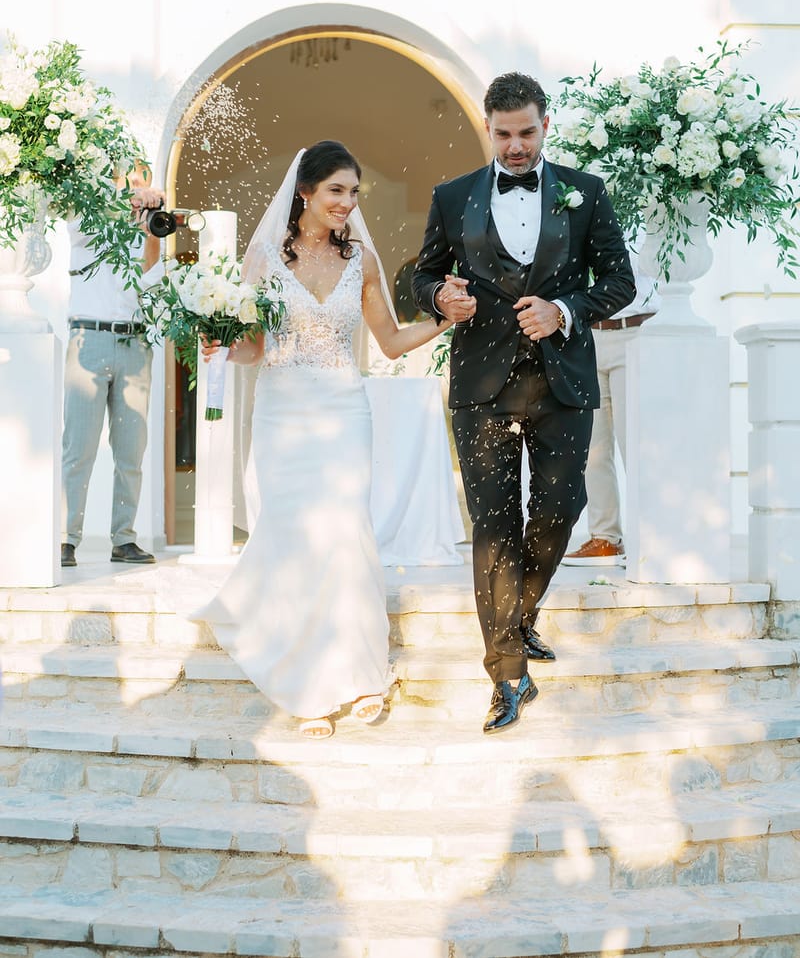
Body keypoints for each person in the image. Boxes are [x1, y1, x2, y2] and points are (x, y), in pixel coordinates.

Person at [197, 141, 450, 740]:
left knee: (345, 534)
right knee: (293, 536)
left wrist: (445, 320)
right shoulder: (263, 257)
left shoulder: (361, 259)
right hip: (283, 410)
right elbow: (257, 345)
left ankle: (363, 672)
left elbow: (387, 340)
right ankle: (305, 685)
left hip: (343, 408)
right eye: (336, 190)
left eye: (354, 192)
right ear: (304, 192)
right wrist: (221, 347)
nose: (347, 203)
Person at [413, 71, 635, 734]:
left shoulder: (585, 193)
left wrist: (565, 309)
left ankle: (521, 614)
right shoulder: (451, 197)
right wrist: (437, 298)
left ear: (545, 125)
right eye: (504, 134)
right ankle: (507, 672)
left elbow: (620, 281)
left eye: (527, 133)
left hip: (562, 381)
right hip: (481, 382)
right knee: (492, 524)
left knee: (560, 510)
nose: (515, 146)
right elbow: (421, 273)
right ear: (488, 128)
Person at [61, 169, 164, 568]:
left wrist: (152, 233)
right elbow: (84, 215)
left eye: (142, 182)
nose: (136, 189)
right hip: (89, 338)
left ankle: (124, 539)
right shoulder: (85, 217)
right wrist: (129, 202)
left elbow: (150, 281)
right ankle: (66, 538)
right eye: (128, 181)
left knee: (131, 449)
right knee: (79, 447)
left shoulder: (143, 227)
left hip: (135, 342)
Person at [564, 255, 660, 565]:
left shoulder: (643, 209)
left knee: (634, 440)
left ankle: (651, 535)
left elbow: (656, 265)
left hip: (635, 331)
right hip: (589, 335)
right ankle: (605, 537)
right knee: (593, 445)